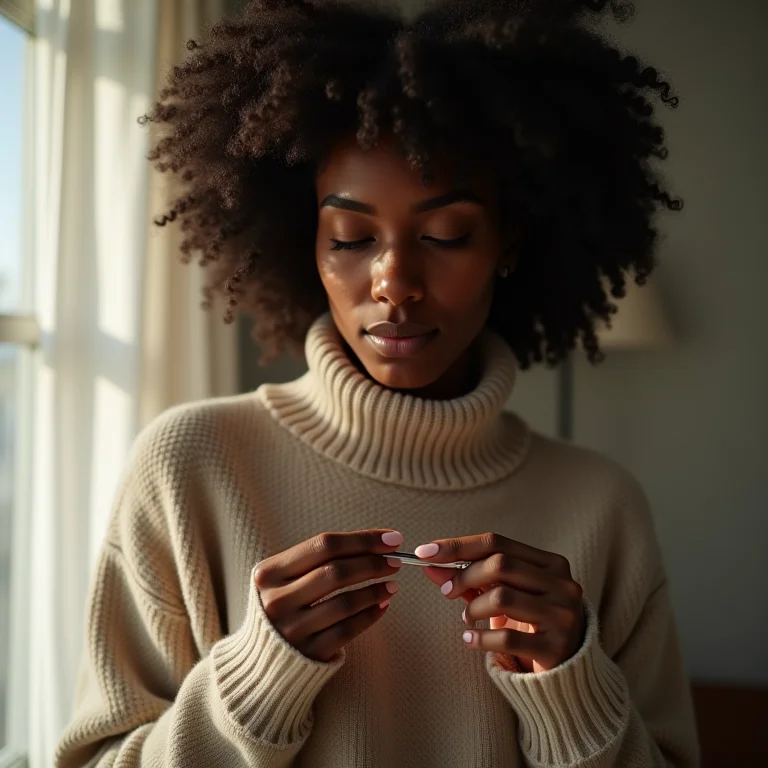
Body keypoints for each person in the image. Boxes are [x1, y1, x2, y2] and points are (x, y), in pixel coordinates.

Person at [54, 0, 700, 765]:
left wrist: (570, 684)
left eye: (445, 235)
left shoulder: (602, 506)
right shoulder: (190, 463)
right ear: (309, 245)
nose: (395, 281)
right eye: (353, 238)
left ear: (509, 242)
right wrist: (256, 682)